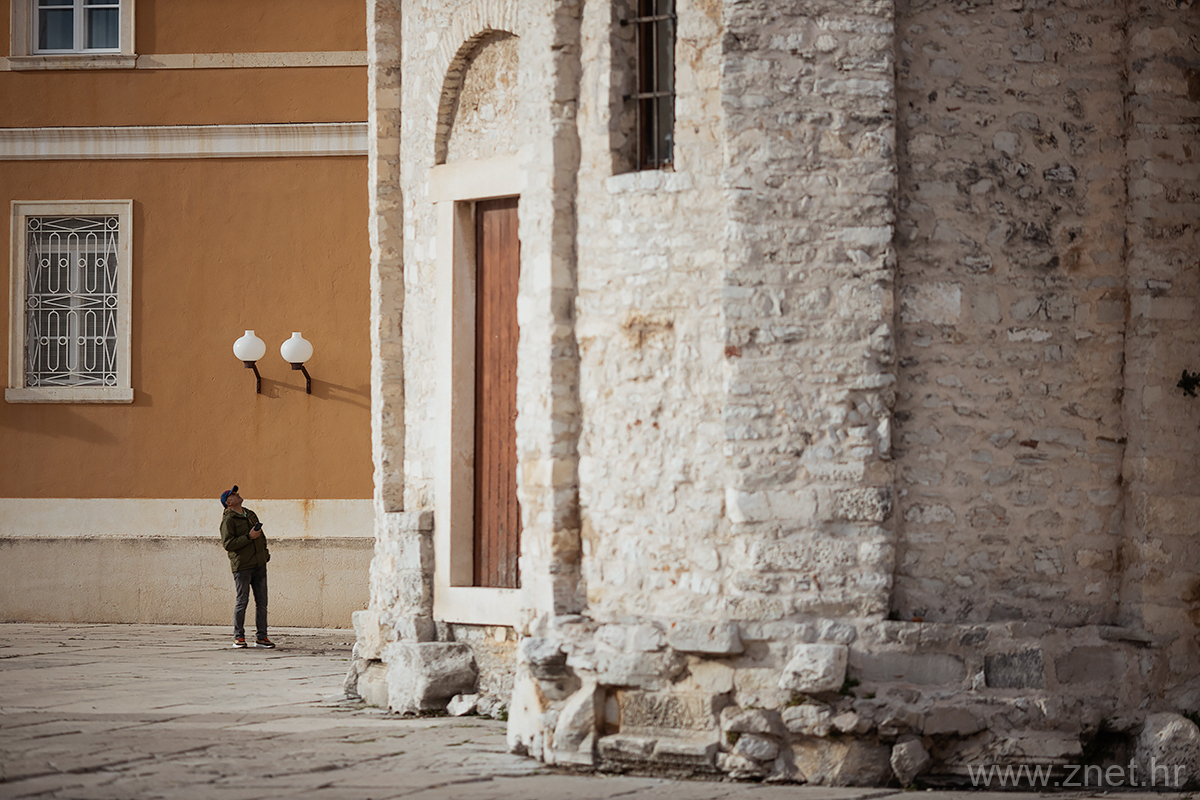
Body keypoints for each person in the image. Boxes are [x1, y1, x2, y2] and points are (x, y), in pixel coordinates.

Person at [219, 485, 274, 649]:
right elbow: (228, 544)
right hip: (242, 565)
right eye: (233, 494)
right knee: (242, 601)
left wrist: (265, 553)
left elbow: (261, 536)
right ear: (228, 502)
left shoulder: (250, 514)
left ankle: (262, 637)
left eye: (236, 493)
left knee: (262, 602)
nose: (237, 495)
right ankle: (239, 637)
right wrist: (248, 537)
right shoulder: (228, 520)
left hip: (259, 564)